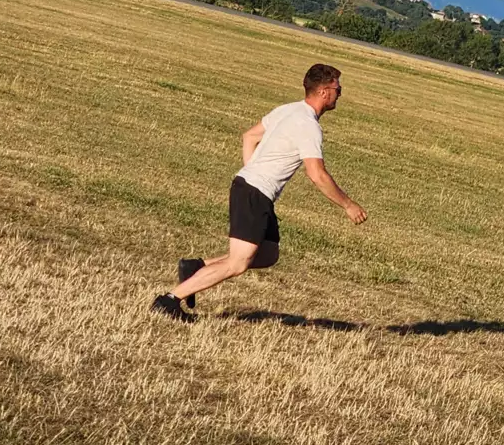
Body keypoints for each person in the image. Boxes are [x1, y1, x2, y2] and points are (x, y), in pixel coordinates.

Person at [152, 63, 367, 321]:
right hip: (254, 192)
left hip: (253, 189)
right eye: (338, 89)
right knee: (238, 263)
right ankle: (169, 300)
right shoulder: (308, 125)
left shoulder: (289, 109)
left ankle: (197, 267)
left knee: (267, 253)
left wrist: (253, 173)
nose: (340, 94)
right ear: (323, 92)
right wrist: (348, 204)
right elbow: (317, 174)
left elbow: (249, 137)